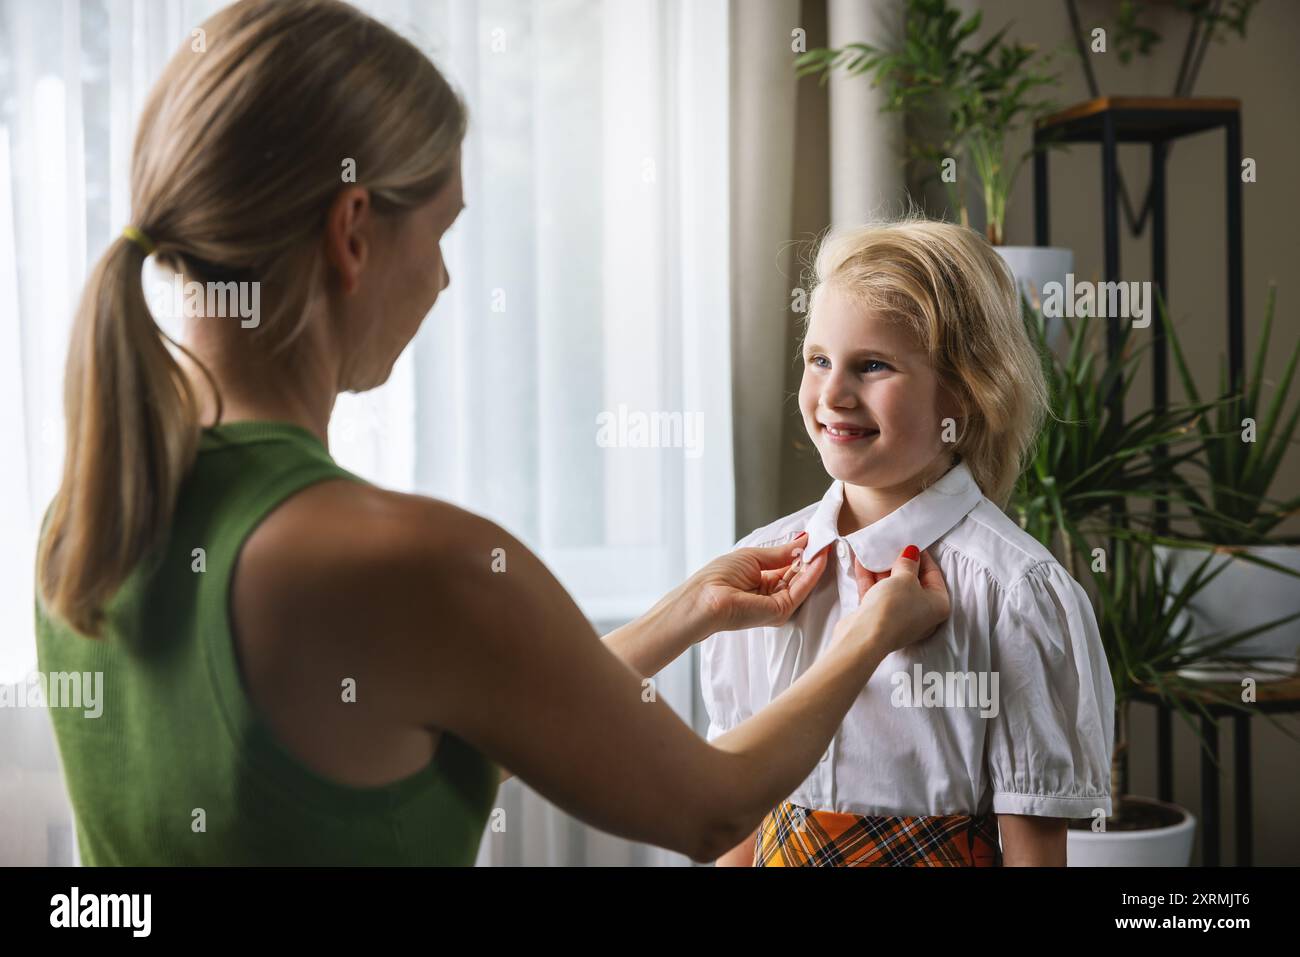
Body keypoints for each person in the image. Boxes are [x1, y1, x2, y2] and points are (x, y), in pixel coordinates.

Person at [32, 0, 952, 866]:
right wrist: (867, 635)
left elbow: (470, 720)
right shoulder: (404, 560)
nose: (440, 280)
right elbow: (710, 806)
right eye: (439, 233)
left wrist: (690, 609)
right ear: (352, 232)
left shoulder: (89, 523)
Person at [700, 220, 1115, 867]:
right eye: (818, 360)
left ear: (968, 391)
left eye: (872, 365)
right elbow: (732, 820)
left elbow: (1035, 851)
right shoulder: (757, 571)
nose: (833, 394)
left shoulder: (1012, 592)